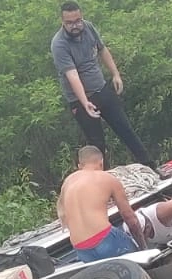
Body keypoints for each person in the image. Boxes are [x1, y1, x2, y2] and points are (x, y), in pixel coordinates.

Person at [51, 2, 154, 167]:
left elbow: (102, 49)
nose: (75, 26)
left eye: (78, 21)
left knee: (125, 129)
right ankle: (101, 185)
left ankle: (151, 167)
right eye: (69, 23)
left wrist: (115, 74)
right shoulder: (59, 44)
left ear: (82, 17)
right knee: (97, 145)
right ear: (62, 22)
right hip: (80, 99)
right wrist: (85, 103)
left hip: (102, 89)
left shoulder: (89, 27)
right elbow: (72, 75)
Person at [58, 146, 148, 262]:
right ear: (101, 162)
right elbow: (130, 218)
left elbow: (63, 215)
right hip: (104, 238)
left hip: (80, 248)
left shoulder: (68, 181)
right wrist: (143, 248)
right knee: (137, 262)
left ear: (80, 165)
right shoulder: (108, 178)